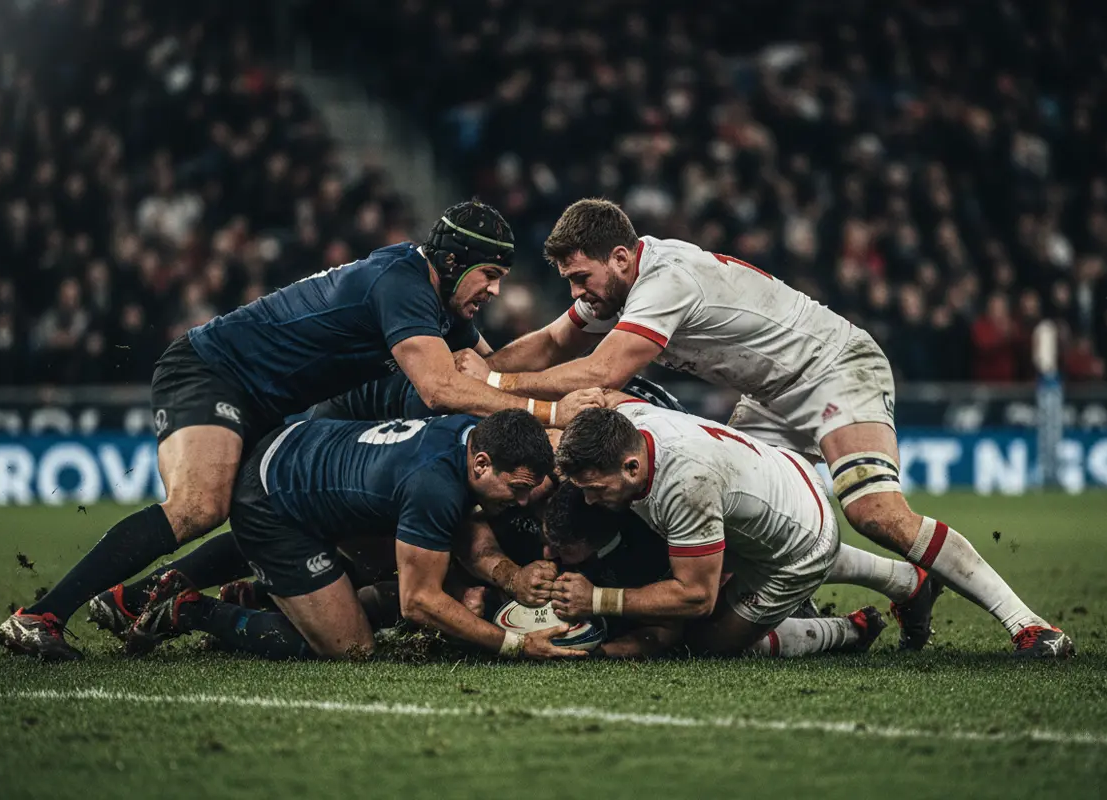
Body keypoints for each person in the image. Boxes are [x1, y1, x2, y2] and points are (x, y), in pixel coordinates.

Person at [457, 198, 1071, 658]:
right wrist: (479, 369)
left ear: (621, 256)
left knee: (873, 511)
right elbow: (553, 342)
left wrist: (490, 389)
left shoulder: (666, 279)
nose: (576, 292)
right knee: (750, 522)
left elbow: (600, 369)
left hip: (832, 368)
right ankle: (903, 583)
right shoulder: (619, 284)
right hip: (773, 394)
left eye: (580, 277)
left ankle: (1028, 624)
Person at [0, 200, 602, 660]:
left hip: (270, 402)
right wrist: (551, 413)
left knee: (276, 505)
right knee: (198, 506)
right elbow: (443, 389)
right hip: (215, 372)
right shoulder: (404, 285)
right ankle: (43, 615)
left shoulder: (436, 302)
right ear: (451, 263)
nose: (495, 289)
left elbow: (487, 374)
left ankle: (145, 595)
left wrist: (566, 389)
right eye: (489, 274)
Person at [124, 410, 583, 661]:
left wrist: (512, 578)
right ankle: (188, 608)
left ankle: (269, 596)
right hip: (272, 500)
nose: (523, 504)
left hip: (300, 451)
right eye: (518, 490)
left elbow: (466, 535)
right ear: (482, 465)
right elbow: (418, 602)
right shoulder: (435, 486)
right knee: (351, 646)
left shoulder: (465, 431)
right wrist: (514, 644)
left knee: (388, 568)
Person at [548, 401, 916, 658]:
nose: (590, 501)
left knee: (703, 641)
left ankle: (849, 630)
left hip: (800, 548)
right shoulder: (627, 422)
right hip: (786, 475)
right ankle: (904, 579)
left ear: (630, 468)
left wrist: (597, 599)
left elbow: (695, 598)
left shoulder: (685, 485)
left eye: (595, 490)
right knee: (737, 543)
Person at [541, 481, 937, 659]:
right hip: (745, 510)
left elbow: (671, 624)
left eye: (560, 548)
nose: (547, 552)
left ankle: (848, 630)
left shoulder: (645, 546)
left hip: (731, 558)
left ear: (589, 543)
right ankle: (897, 585)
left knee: (707, 639)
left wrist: (597, 642)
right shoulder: (590, 496)